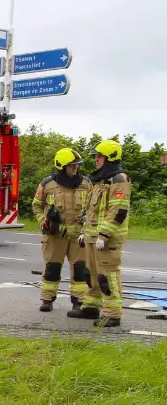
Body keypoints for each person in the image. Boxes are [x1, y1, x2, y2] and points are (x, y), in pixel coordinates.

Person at [70, 140, 130, 327]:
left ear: (110, 157)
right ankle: (91, 306)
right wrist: (84, 231)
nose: (96, 160)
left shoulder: (118, 179)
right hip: (91, 237)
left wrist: (104, 235)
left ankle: (112, 314)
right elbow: (91, 210)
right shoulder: (99, 180)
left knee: (107, 276)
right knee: (91, 275)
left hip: (106, 239)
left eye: (99, 156)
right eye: (95, 156)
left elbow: (118, 210)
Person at [33, 149, 90, 313]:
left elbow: (94, 206)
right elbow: (36, 205)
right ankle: (47, 300)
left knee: (80, 269)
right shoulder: (47, 184)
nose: (75, 168)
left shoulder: (86, 184)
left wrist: (89, 219)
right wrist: (43, 221)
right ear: (62, 166)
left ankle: (78, 302)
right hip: (55, 234)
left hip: (79, 234)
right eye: (71, 165)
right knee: (52, 268)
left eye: (77, 165)